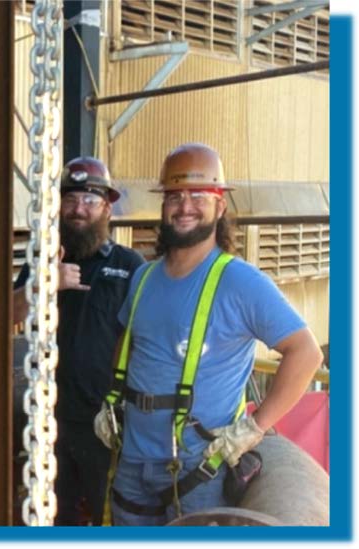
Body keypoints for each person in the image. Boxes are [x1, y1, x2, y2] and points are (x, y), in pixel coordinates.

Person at [94, 143, 323, 525]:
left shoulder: (239, 282)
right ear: (163, 205)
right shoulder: (144, 277)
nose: (185, 206)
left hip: (196, 465)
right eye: (175, 196)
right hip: (133, 456)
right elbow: (131, 341)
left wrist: (254, 427)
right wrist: (112, 400)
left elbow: (306, 353)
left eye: (200, 195)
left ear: (220, 207)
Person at [13, 157, 144, 525]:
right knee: (58, 515)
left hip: (106, 424)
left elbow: (145, 339)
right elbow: (7, 316)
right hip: (49, 419)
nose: (78, 209)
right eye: (70, 200)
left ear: (107, 207)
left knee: (110, 513)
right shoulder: (41, 261)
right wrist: (42, 285)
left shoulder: (129, 265)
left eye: (90, 200)